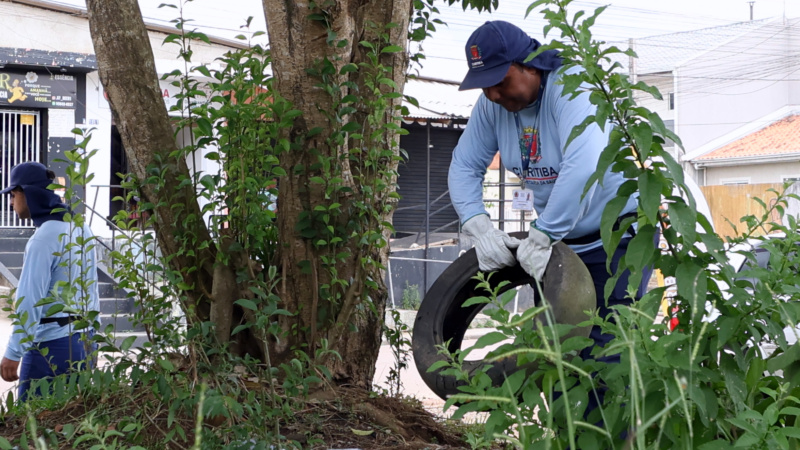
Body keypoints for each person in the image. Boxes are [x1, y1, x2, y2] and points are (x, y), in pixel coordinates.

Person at [450, 21, 654, 370]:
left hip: (616, 238)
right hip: (560, 246)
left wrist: (543, 234)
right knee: (558, 357)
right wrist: (478, 226)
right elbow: (464, 166)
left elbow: (583, 166)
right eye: (484, 87)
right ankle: (564, 428)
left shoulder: (573, 87)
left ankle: (618, 426)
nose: (493, 95)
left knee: (609, 356)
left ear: (530, 64)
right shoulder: (491, 107)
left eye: (500, 82)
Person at [0, 162, 99, 401]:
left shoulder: (43, 238)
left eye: (14, 195)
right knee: (72, 423)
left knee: (32, 427)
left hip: (51, 346)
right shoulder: (79, 227)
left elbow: (30, 299)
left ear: (27, 193)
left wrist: (14, 352)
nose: (12, 203)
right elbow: (91, 287)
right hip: (85, 340)